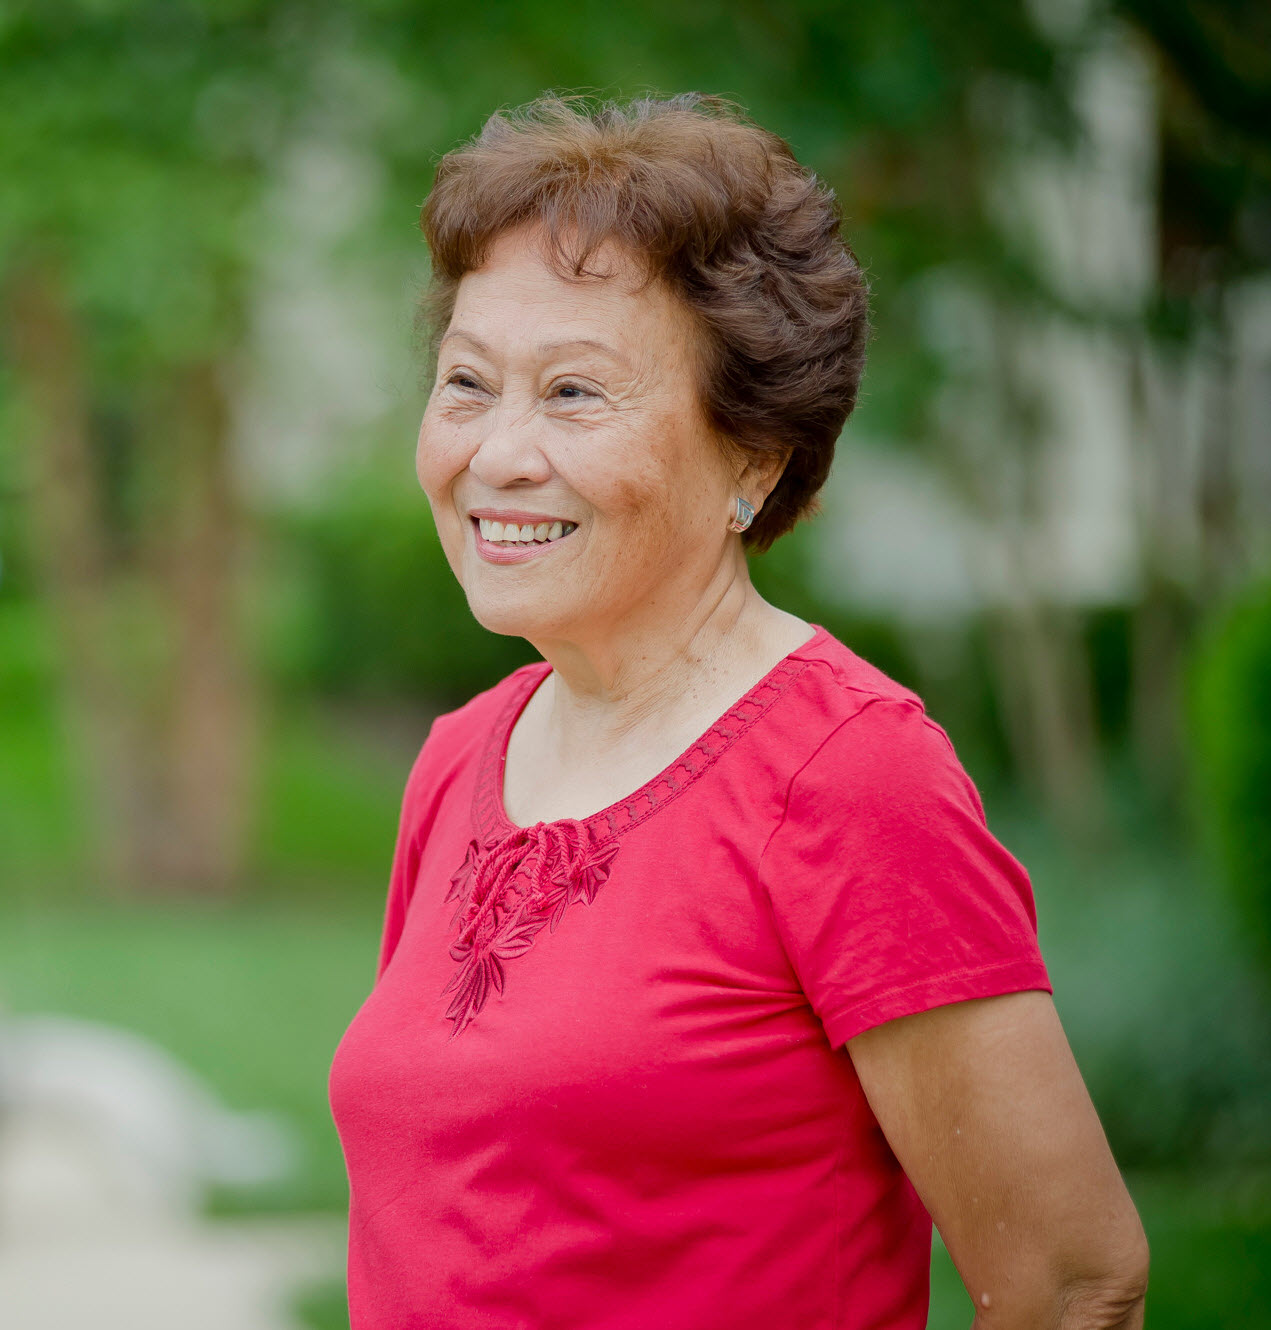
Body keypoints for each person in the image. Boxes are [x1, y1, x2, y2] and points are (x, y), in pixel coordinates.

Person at [328, 92, 1149, 1330]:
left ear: (753, 457)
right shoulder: (459, 758)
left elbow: (1074, 1282)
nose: (496, 452)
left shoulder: (847, 775)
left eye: (572, 394)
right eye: (466, 382)